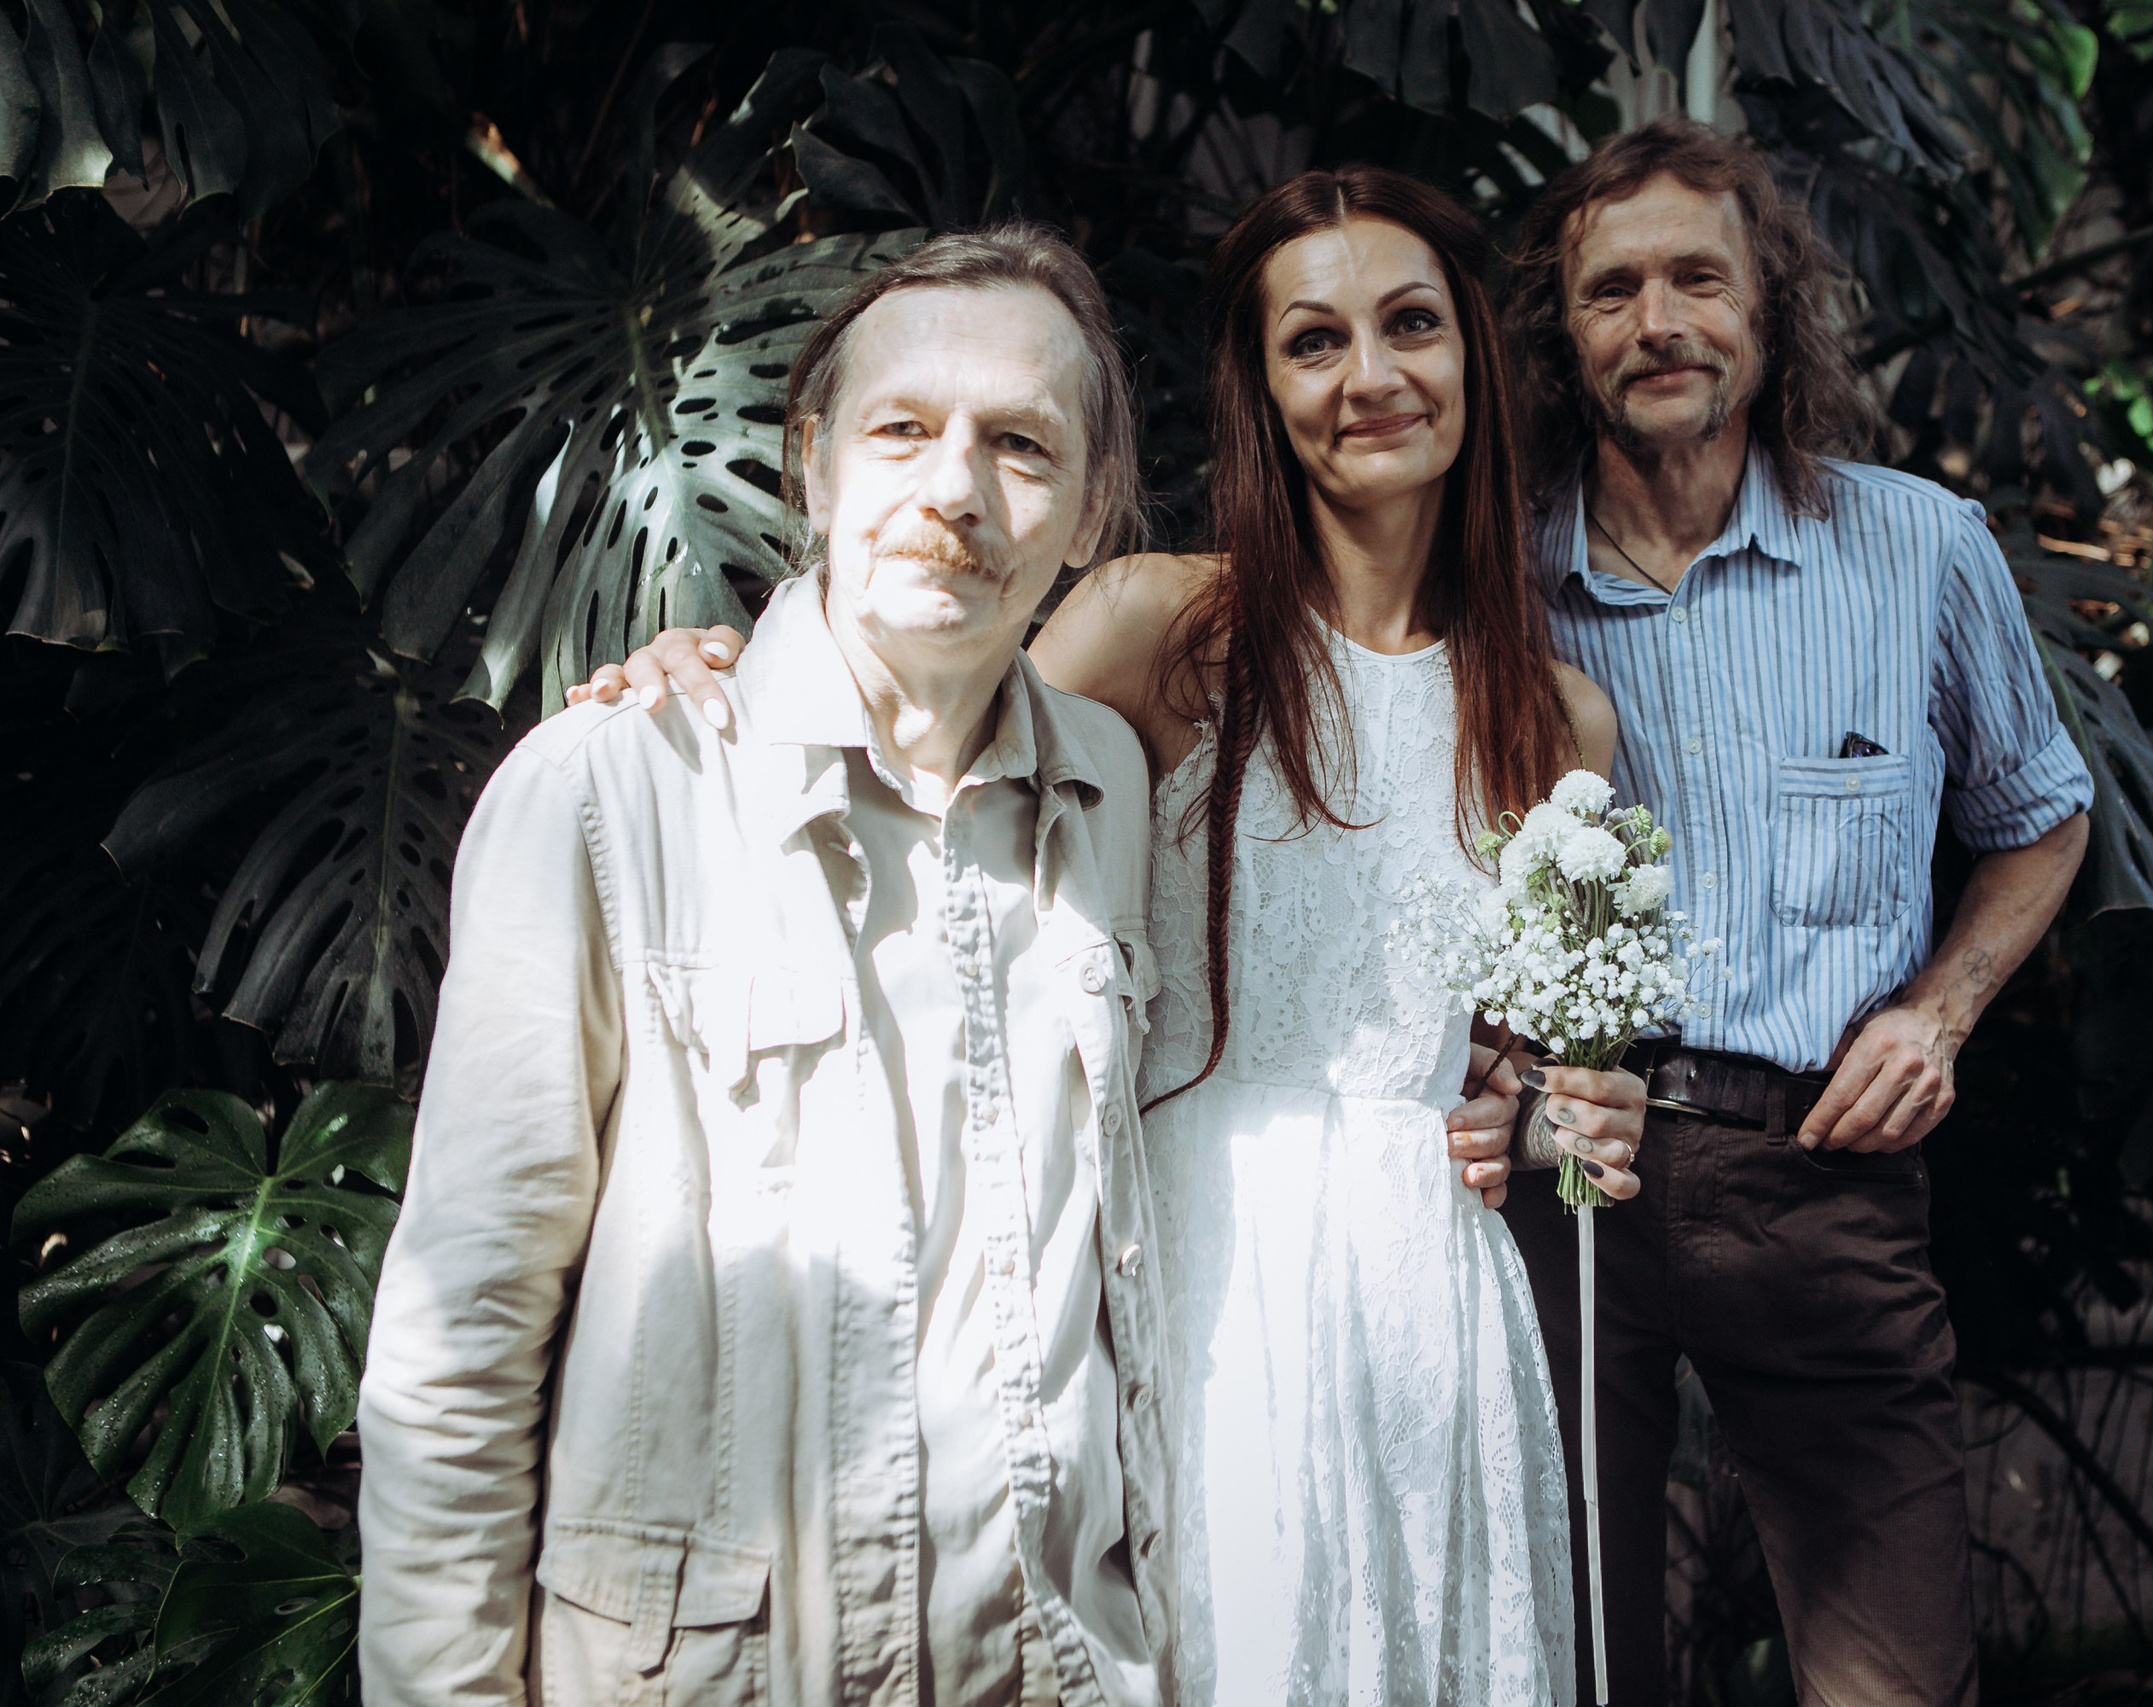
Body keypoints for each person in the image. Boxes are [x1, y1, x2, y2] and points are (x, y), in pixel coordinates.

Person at [580, 169, 1648, 1706]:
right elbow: (926, 740)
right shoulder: (1163, 621)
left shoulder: (1561, 718)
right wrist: (720, 671)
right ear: (1260, 388)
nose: (1370, 377)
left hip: (1437, 1294)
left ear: (1476, 357)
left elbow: (1527, 1063)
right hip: (1203, 1268)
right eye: (1312, 340)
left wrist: (1554, 1114)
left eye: (1410, 324)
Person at [359, 227, 1184, 1707]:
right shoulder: (612, 796)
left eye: (1020, 446)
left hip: (1061, 1670)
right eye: (901, 430)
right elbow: (460, 1341)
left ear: (1087, 519)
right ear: (812, 466)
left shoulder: (1118, 798)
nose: (952, 490)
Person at [1491, 119, 2095, 1707]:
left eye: (1699, 277)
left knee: (1890, 1674)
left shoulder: (1914, 548)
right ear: (1565, 331)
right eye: (1610, 290)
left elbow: (2043, 819)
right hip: (1561, 1186)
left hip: (1822, 1171)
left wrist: (1937, 1011)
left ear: (1770, 307)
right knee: (1563, 1658)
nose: (1659, 322)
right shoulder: (1490, 573)